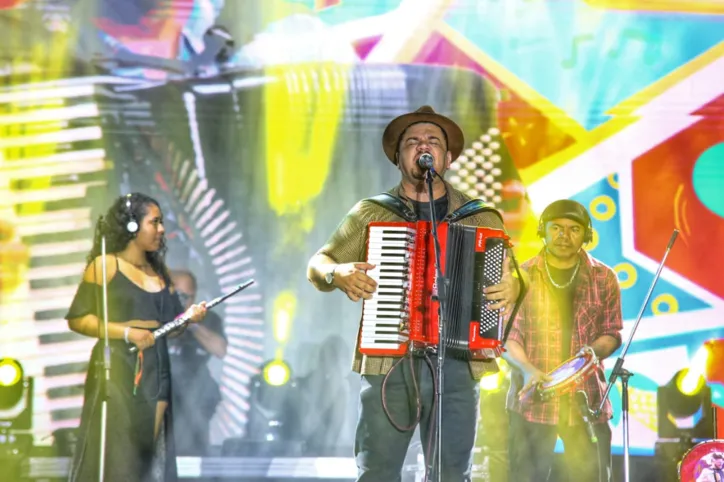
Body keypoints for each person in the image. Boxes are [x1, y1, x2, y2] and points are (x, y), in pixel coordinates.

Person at [307, 105, 523, 481]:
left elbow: (512, 277)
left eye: (432, 141)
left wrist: (513, 286)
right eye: (412, 141)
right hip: (391, 362)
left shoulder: (480, 217)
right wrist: (336, 273)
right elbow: (319, 263)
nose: (423, 146)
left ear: (448, 157)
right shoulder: (372, 213)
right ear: (399, 156)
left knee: (451, 474)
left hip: (458, 364)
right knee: (378, 472)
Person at [66, 193, 207, 482]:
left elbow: (173, 325)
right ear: (132, 226)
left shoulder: (159, 273)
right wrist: (128, 332)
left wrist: (189, 318)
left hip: (157, 367)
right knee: (119, 454)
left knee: (147, 455)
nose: (161, 230)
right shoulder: (106, 265)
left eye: (161, 223)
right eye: (154, 222)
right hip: (117, 364)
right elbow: (79, 319)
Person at [503, 199, 623, 482]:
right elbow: (508, 336)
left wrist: (592, 352)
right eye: (556, 228)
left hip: (586, 401)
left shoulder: (604, 277)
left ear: (586, 235)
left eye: (573, 229)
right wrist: (529, 370)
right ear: (543, 230)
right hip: (532, 401)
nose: (563, 236)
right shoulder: (522, 275)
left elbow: (612, 332)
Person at [167, 269, 227, 456]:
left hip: (194, 399)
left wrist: (189, 322)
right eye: (178, 295)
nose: (183, 300)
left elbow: (220, 349)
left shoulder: (206, 318)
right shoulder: (152, 316)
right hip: (160, 395)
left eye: (188, 296)